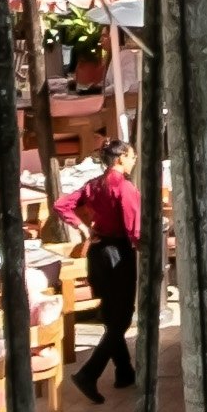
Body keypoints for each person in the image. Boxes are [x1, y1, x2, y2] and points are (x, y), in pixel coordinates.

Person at [63, 156, 149, 399]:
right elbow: (134, 229)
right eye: (132, 156)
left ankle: (124, 371)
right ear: (121, 158)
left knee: (111, 315)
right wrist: (146, 250)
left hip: (97, 252)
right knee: (122, 318)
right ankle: (89, 373)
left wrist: (81, 227)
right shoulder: (124, 187)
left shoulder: (94, 184)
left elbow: (62, 205)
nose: (134, 160)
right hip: (118, 254)